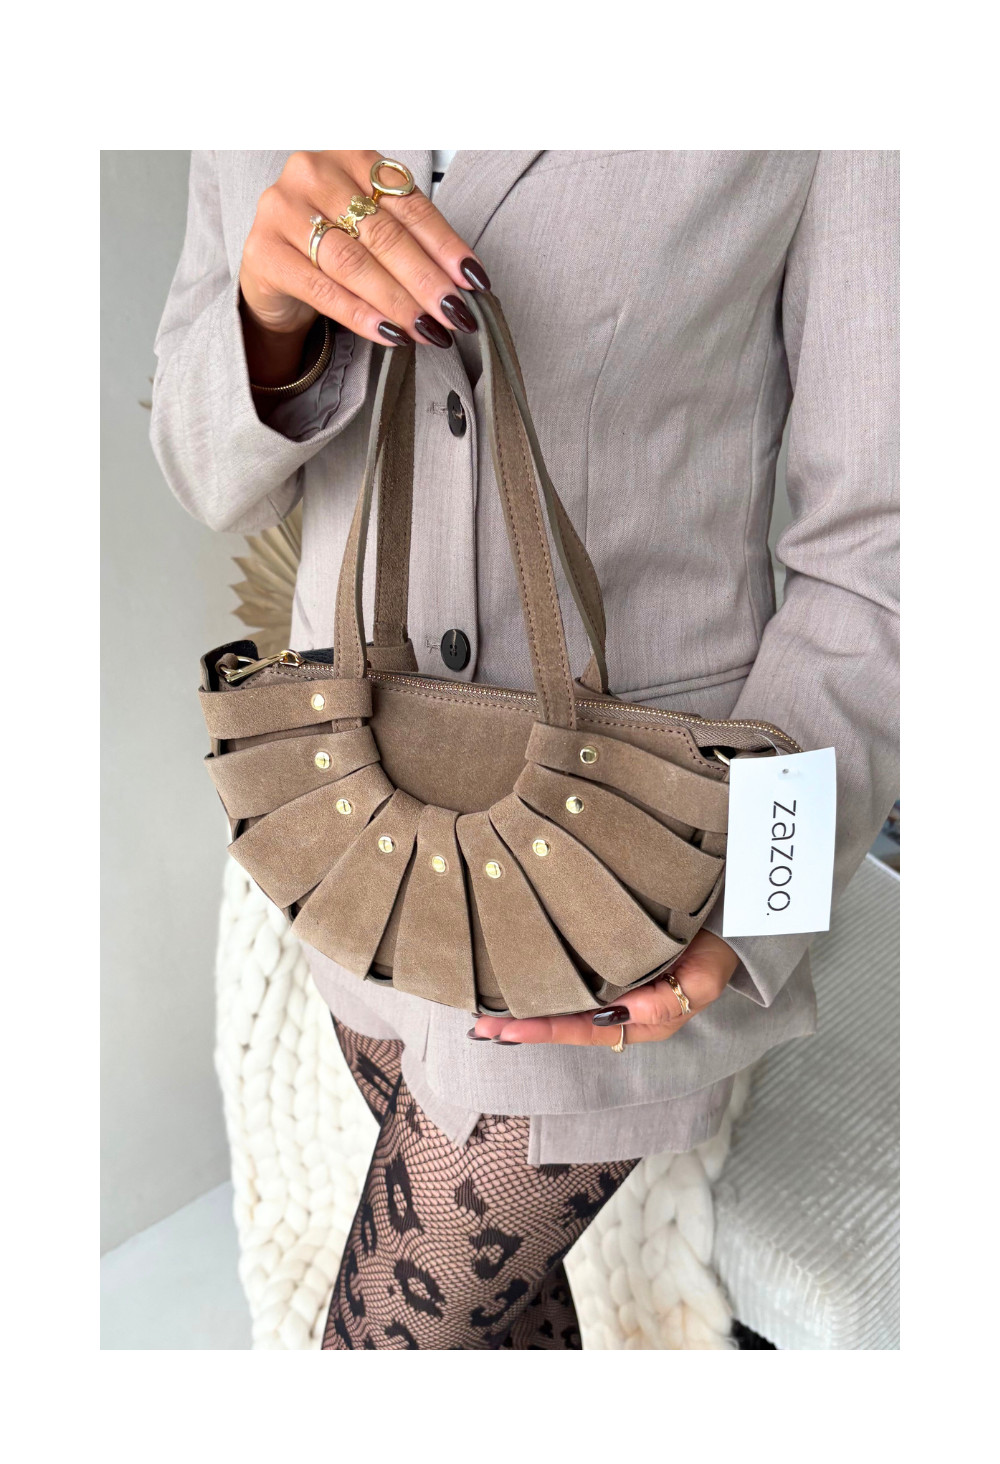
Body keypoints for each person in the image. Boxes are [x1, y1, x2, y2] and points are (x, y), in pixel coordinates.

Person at [151, 149, 899, 1349]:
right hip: (354, 830)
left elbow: (881, 551)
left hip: (631, 877)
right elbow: (202, 470)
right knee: (500, 1335)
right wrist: (271, 320)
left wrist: (757, 901)